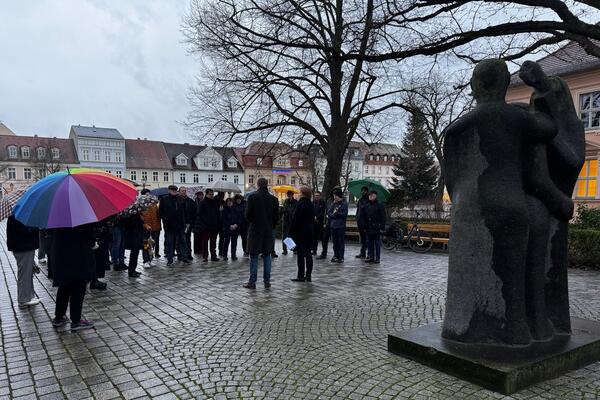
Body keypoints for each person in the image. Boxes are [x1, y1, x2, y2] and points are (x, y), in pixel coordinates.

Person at [49, 223, 96, 332]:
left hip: (62, 256)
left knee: (64, 287)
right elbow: (90, 238)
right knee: (78, 288)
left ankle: (59, 317)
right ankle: (76, 321)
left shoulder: (58, 219)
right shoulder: (82, 219)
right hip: (78, 258)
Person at [243, 178, 279, 289]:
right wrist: (271, 226)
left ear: (258, 185)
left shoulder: (252, 197)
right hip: (268, 230)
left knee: (254, 255)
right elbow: (276, 217)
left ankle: (252, 282)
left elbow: (248, 215)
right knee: (267, 255)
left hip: (255, 230)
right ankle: (267, 281)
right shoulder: (274, 199)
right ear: (267, 185)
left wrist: (253, 222)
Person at [7, 215, 41, 307]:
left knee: (28, 272)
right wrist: (38, 228)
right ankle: (24, 299)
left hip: (23, 246)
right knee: (25, 273)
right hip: (23, 247)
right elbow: (25, 231)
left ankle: (29, 296)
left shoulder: (17, 213)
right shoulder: (18, 215)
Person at [289, 186, 315, 282]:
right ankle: (308, 275)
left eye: (299, 193)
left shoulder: (301, 204)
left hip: (301, 233)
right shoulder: (311, 204)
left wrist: (291, 232)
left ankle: (300, 275)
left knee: (300, 255)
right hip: (309, 231)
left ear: (303, 194)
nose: (298, 194)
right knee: (308, 254)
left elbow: (296, 219)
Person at [159, 185, 187, 266]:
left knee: (182, 241)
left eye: (175, 190)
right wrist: (166, 219)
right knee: (170, 242)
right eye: (172, 190)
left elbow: (184, 212)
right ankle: (170, 259)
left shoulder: (181, 199)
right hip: (169, 225)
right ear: (169, 190)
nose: (174, 191)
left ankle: (183, 257)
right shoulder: (164, 199)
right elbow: (161, 212)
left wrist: (185, 222)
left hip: (180, 224)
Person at [360, 191, 386, 264]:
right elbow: (364, 217)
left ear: (375, 196)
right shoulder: (366, 205)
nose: (371, 197)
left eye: (372, 195)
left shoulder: (380, 205)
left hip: (377, 227)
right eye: (370, 196)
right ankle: (371, 257)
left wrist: (382, 227)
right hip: (368, 227)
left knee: (377, 243)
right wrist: (364, 226)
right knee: (369, 243)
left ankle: (377, 258)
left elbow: (383, 217)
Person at [195, 188, 220, 262]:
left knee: (213, 242)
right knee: (205, 242)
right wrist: (204, 223)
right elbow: (199, 214)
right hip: (205, 226)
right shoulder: (202, 202)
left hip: (214, 226)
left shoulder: (215, 202)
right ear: (206, 194)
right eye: (210, 194)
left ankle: (213, 256)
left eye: (212, 194)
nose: (212, 196)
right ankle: (205, 256)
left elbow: (217, 213)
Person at [317, 187, 339, 260]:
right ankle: (324, 253)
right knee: (324, 238)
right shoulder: (329, 200)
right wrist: (325, 221)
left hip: (336, 222)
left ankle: (337, 255)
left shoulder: (340, 201)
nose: (334, 195)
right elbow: (327, 211)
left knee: (335, 239)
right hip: (329, 222)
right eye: (333, 193)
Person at [121, 211, 145, 277]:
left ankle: (133, 270)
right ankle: (131, 271)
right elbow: (131, 224)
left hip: (136, 236)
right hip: (133, 236)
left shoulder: (135, 212)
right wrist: (141, 220)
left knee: (135, 254)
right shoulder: (130, 213)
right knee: (134, 254)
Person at [327, 188, 348, 263]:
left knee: (340, 242)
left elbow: (344, 214)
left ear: (338, 195)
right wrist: (333, 215)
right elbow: (329, 212)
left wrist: (337, 214)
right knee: (335, 242)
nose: (334, 197)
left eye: (335, 195)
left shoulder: (344, 203)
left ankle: (341, 256)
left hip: (341, 226)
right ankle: (335, 255)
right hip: (333, 225)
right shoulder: (333, 203)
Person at [140, 189, 162, 258]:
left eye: (149, 194)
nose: (148, 196)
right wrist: (145, 225)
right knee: (146, 244)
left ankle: (150, 258)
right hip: (146, 228)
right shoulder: (141, 205)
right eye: (146, 194)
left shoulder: (154, 204)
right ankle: (145, 260)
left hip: (155, 227)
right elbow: (140, 218)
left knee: (153, 244)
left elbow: (159, 214)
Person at [90, 219, 111, 290]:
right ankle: (93, 280)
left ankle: (94, 279)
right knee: (96, 259)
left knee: (98, 260)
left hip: (100, 237)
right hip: (97, 238)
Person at [179, 186, 196, 262]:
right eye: (182, 191)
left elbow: (194, 213)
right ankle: (181, 255)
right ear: (179, 191)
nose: (184, 192)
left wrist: (191, 223)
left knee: (188, 240)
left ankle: (188, 254)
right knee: (180, 240)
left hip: (188, 224)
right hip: (179, 224)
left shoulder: (190, 201)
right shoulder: (177, 200)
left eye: (185, 190)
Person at [281, 190, 298, 255]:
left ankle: (294, 249)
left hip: (293, 221)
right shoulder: (286, 201)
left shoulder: (296, 202)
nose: (289, 196)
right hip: (286, 221)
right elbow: (284, 209)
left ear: (292, 195)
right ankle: (284, 250)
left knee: (293, 235)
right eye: (288, 195)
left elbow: (296, 211)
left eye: (290, 195)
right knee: (285, 236)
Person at [355, 186, 370, 259]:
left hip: (366, 222)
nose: (363, 192)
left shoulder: (368, 200)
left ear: (367, 191)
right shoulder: (360, 200)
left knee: (367, 239)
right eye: (362, 190)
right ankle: (362, 253)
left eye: (364, 190)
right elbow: (358, 210)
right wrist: (357, 217)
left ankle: (369, 253)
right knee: (363, 239)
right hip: (360, 221)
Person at [312, 191, 326, 255]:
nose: (316, 197)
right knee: (314, 238)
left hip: (320, 222)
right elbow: (311, 210)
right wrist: (313, 217)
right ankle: (314, 250)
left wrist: (317, 217)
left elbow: (323, 212)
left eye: (318, 195)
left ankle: (324, 251)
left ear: (320, 196)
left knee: (323, 238)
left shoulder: (322, 202)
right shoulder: (313, 202)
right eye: (315, 195)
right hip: (314, 223)